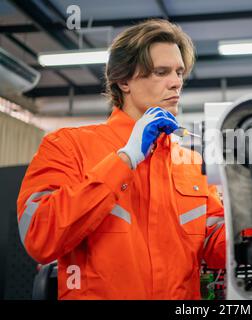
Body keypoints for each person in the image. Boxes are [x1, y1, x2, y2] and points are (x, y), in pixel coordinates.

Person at [16, 19, 225, 300]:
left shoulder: (188, 161)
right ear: (123, 80)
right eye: (160, 72)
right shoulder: (68, 145)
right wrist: (124, 160)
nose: (176, 83)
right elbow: (40, 237)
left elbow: (216, 243)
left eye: (179, 72)